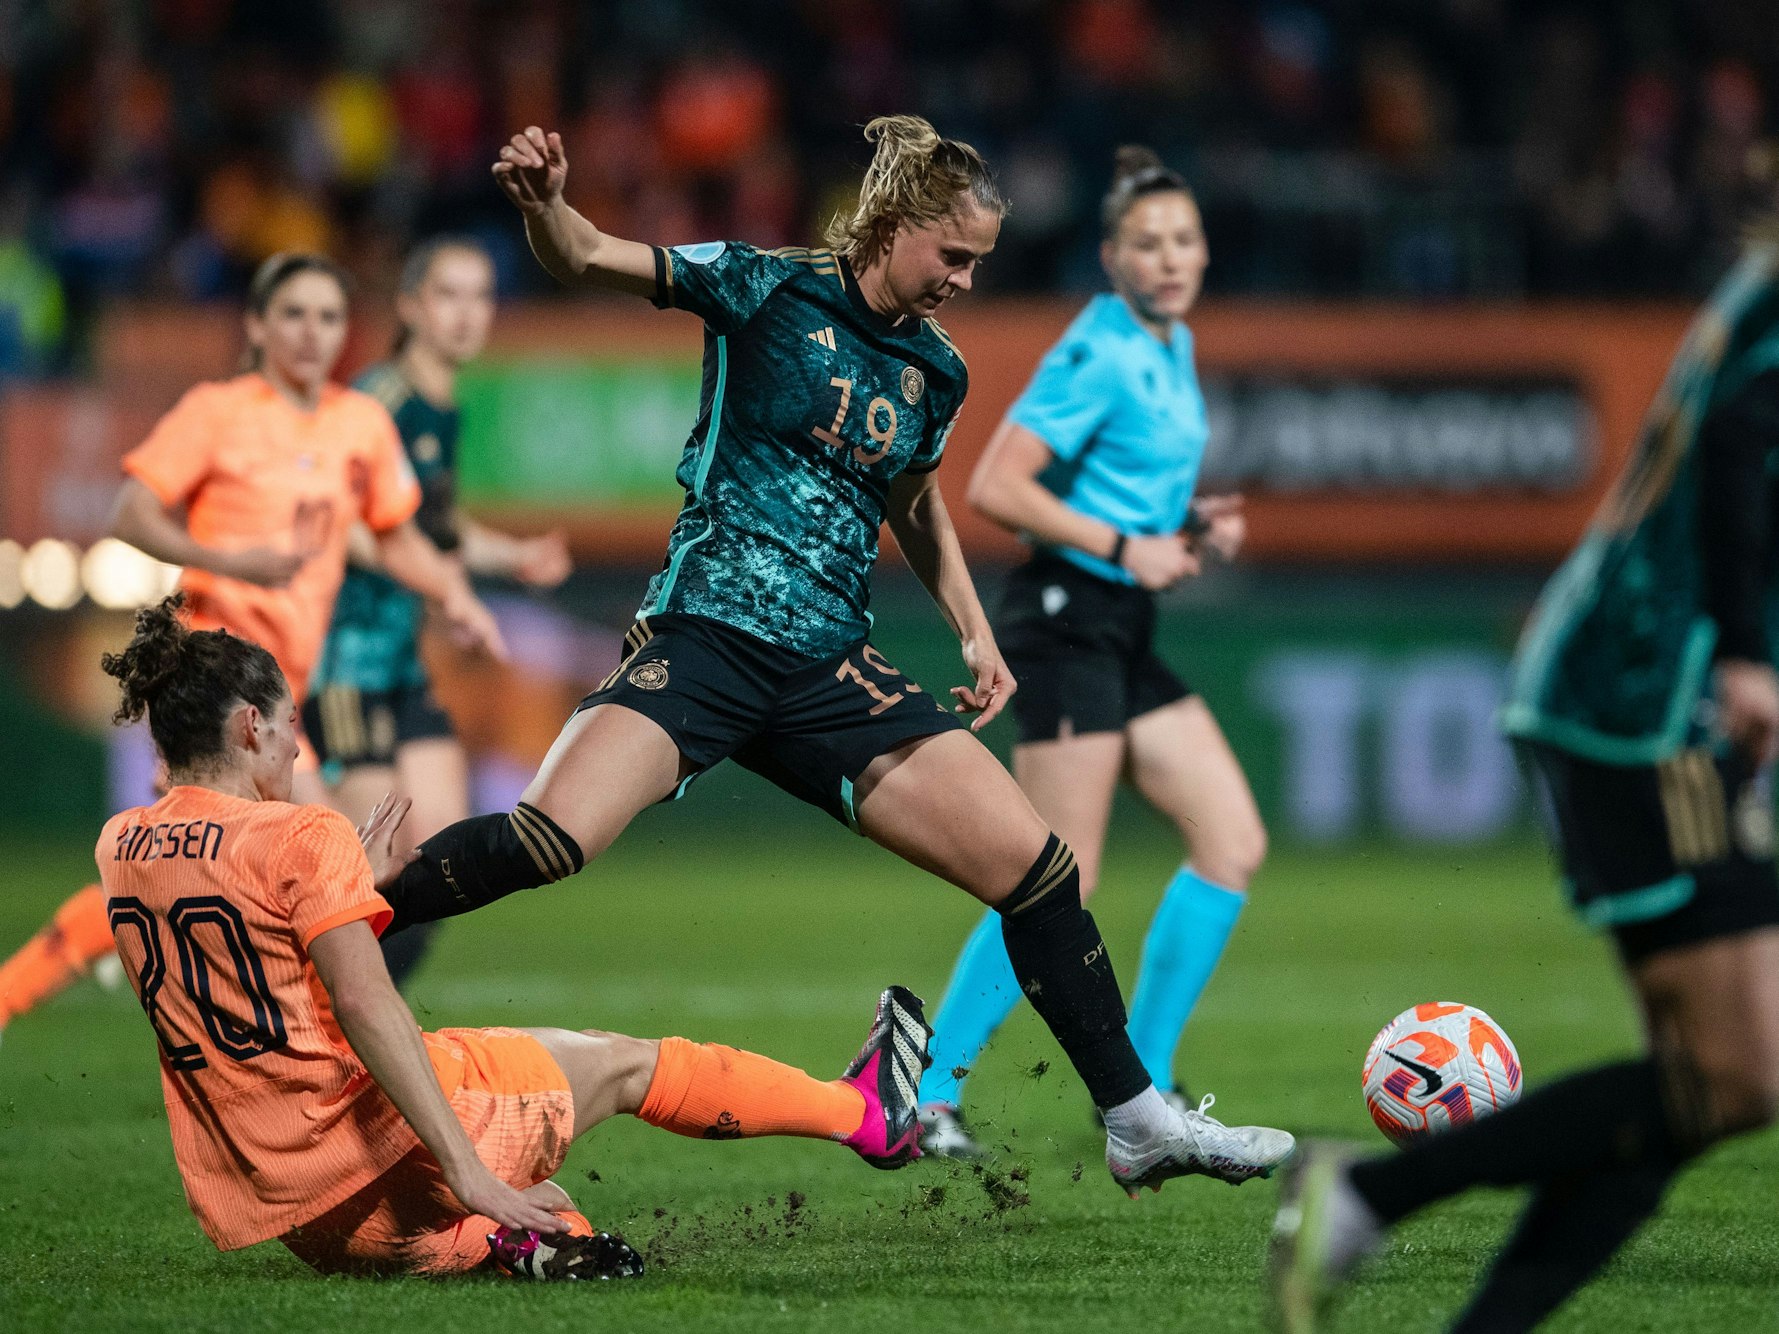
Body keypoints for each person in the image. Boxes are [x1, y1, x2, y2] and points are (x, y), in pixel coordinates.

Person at [371, 116, 1294, 1197]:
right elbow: (585, 256)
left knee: (1039, 871)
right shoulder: (762, 283)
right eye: (952, 255)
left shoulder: (933, 370)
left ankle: (1138, 1121)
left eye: (979, 264)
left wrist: (971, 625)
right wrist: (542, 204)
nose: (962, 278)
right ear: (891, 224)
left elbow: (915, 499)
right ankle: (353, 914)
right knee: (548, 836)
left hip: (828, 667)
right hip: (707, 633)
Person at [95, 594, 936, 1279]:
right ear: (249, 726)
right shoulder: (301, 835)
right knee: (623, 1065)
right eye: (286, 728)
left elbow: (246, 939)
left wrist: (352, 883)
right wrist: (465, 1167)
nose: (291, 746)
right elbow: (361, 998)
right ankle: (860, 1114)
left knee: (537, 1187)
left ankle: (524, 1243)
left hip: (302, 1215)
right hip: (381, 1156)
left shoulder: (121, 846)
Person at [1269, 236, 1779, 1331]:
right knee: (1738, 1074)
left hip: (1644, 689)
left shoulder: (1754, 289)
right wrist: (1748, 651)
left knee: (1696, 1087)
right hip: (1654, 700)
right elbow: (1747, 435)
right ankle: (1365, 1189)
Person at [0, 252, 505, 1040]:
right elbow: (133, 512)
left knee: (194, 870)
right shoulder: (219, 410)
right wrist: (229, 560)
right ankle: (330, 1034)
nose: (311, 333)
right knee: (336, 859)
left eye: (328, 317)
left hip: (282, 698)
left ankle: (281, 1021)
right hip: (215, 682)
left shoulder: (357, 423)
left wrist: (457, 595)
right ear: (258, 325)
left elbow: (396, 536)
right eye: (294, 314)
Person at [916, 147, 1262, 1156]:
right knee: (1054, 871)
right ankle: (928, 1086)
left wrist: (1190, 523)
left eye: (1184, 240)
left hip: (1122, 623)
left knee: (1230, 837)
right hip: (1067, 617)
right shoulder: (1099, 349)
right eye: (1146, 243)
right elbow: (996, 486)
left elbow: (1125, 491)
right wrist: (1127, 545)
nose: (1169, 259)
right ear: (1110, 256)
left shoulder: (1173, 342)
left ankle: (1139, 1102)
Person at [308, 236, 571, 987]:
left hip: (400, 662)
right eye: (448, 295)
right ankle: (317, 1037)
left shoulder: (441, 407)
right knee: (371, 880)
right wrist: (438, 582)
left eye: (480, 296)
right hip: (346, 665)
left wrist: (511, 556)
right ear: (411, 306)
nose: (466, 315)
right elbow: (333, 518)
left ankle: (350, 1025)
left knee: (436, 864)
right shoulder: (377, 401)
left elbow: (432, 527)